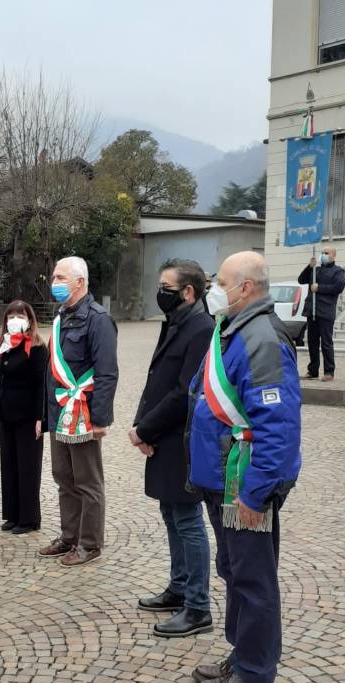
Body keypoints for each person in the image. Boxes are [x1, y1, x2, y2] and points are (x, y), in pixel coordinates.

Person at [188, 250, 301, 683]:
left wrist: (256, 495)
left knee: (253, 578)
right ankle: (243, 653)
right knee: (235, 572)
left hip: (244, 485)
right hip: (222, 478)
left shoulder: (262, 339)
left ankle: (256, 673)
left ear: (246, 288)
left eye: (222, 282)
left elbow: (277, 427)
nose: (216, 288)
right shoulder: (232, 329)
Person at [129, 259, 215, 638]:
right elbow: (156, 379)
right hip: (164, 436)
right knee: (170, 513)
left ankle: (197, 606)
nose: (160, 292)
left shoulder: (200, 327)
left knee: (187, 520)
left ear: (188, 292)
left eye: (166, 286)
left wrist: (146, 427)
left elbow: (186, 392)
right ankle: (178, 588)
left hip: (183, 439)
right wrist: (142, 426)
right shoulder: (178, 321)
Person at [39, 256, 118, 567]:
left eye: (60, 278)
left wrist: (100, 419)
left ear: (80, 282)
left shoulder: (98, 320)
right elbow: (52, 373)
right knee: (64, 478)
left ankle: (89, 543)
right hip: (60, 413)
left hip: (83, 415)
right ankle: (69, 536)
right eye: (54, 277)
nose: (54, 283)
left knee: (87, 481)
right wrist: (46, 416)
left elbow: (107, 372)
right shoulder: (62, 318)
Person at [0, 300, 48, 535]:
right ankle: (12, 514)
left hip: (28, 415)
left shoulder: (36, 348)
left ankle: (28, 518)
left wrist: (40, 417)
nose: (15, 320)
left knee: (27, 466)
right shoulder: (3, 345)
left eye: (20, 315)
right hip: (6, 413)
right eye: (11, 315)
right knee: (9, 464)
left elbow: (41, 385)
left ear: (29, 320)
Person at [298, 245, 345, 381]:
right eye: (322, 252)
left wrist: (320, 288)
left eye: (326, 253)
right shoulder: (315, 270)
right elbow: (301, 280)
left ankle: (329, 372)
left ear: (333, 255)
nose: (323, 254)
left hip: (325, 311)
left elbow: (338, 287)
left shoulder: (338, 271)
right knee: (312, 342)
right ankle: (313, 371)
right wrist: (309, 266)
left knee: (326, 342)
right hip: (312, 311)